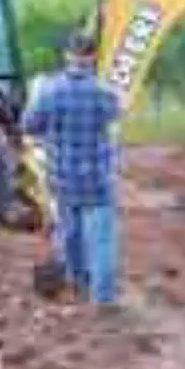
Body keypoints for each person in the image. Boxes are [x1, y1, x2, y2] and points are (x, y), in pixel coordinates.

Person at [20, 31, 125, 312]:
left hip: (63, 179)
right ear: (92, 58)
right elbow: (116, 116)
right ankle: (102, 300)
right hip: (97, 181)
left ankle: (78, 284)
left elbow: (28, 126)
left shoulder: (49, 91)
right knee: (101, 241)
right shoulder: (106, 93)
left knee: (70, 236)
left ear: (68, 55)